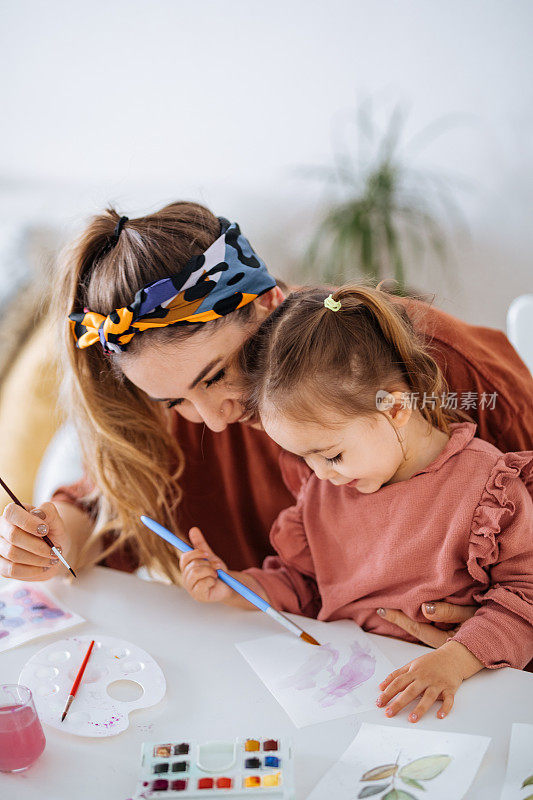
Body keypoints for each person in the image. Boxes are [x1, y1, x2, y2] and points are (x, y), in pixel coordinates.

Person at [1, 201, 532, 650]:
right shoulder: (187, 423)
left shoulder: (436, 363)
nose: (212, 418)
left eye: (216, 375)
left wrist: (499, 631)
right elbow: (109, 509)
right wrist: (51, 540)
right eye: (173, 402)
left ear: (268, 302)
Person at [178, 285, 533, 721]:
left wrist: (456, 659)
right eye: (303, 457)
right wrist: (235, 587)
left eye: (330, 454)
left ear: (396, 408)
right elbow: (306, 586)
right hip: (352, 700)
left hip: (460, 699)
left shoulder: (488, 491)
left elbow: (524, 599)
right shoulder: (326, 490)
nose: (321, 473)